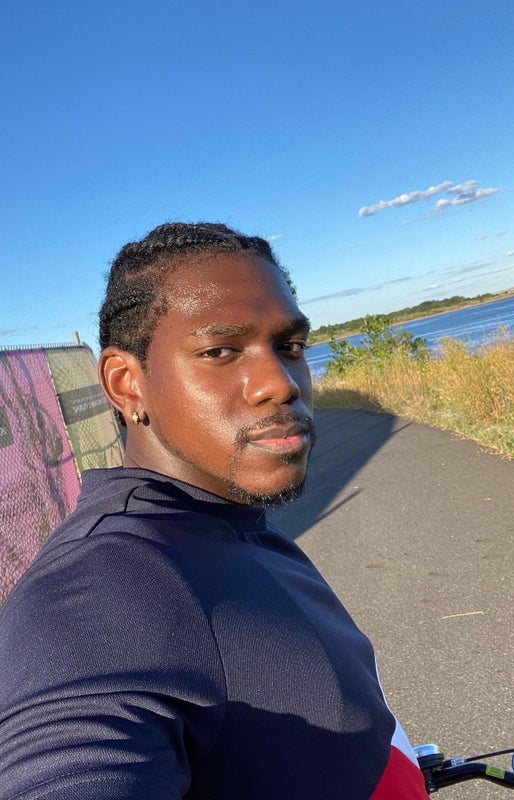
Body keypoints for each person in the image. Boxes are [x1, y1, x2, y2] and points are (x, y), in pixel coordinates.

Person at [0, 222, 428, 799]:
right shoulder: (102, 585)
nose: (280, 384)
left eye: (290, 347)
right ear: (127, 385)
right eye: (219, 351)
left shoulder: (224, 517)